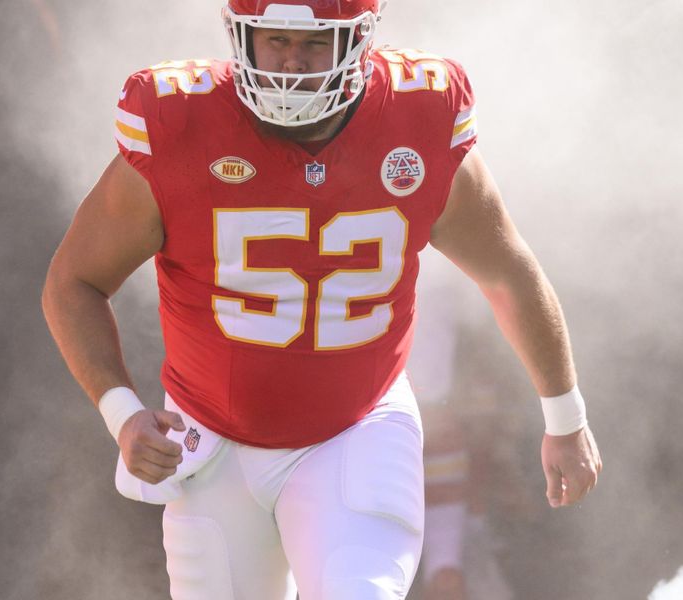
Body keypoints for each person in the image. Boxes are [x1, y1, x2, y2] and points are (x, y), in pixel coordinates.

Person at [42, 1, 602, 598]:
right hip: (213, 442)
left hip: (354, 430)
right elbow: (73, 283)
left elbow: (508, 272)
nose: (290, 63)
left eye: (314, 45)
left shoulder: (418, 119)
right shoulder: (179, 127)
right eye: (276, 40)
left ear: (357, 42)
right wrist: (122, 413)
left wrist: (566, 419)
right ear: (241, 35)